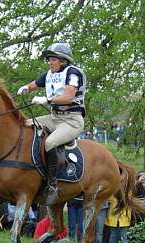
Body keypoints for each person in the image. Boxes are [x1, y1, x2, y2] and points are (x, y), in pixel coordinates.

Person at [16, 42, 86, 205]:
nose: (49, 62)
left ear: (62, 60)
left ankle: (52, 185)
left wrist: (47, 99)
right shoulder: (49, 74)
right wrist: (25, 88)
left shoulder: (73, 73)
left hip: (71, 120)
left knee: (50, 142)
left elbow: (68, 97)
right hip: (54, 117)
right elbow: (34, 84)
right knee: (25, 126)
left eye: (53, 59)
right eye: (49, 59)